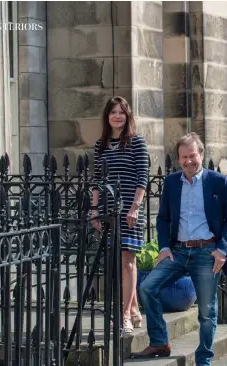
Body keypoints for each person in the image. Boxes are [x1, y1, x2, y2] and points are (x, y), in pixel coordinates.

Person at [131, 132, 227, 365]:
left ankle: (203, 359)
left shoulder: (219, 182)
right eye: (183, 157)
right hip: (177, 251)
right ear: (178, 159)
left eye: (192, 156)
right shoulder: (171, 182)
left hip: (207, 252)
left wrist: (222, 250)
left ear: (201, 154)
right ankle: (160, 341)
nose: (189, 161)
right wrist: (163, 247)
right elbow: (163, 219)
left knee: (207, 312)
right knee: (148, 287)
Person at [91, 96, 149, 333]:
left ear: (128, 116)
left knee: (128, 262)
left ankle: (124, 315)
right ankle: (134, 309)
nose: (117, 116)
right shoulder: (100, 145)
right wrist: (94, 209)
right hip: (108, 210)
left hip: (129, 211)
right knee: (118, 262)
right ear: (107, 117)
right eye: (113, 112)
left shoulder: (137, 142)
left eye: (121, 112)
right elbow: (96, 179)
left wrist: (135, 207)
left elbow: (142, 178)